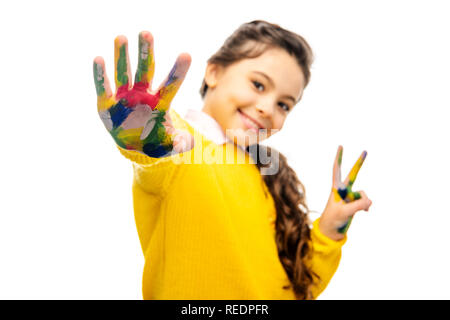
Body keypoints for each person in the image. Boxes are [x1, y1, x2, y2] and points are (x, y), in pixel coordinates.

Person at [93, 20, 372, 300]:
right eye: (259, 84)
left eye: (284, 104)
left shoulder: (265, 176)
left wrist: (328, 230)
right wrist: (146, 140)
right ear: (214, 72)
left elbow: (297, 287)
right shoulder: (178, 142)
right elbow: (158, 154)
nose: (267, 108)